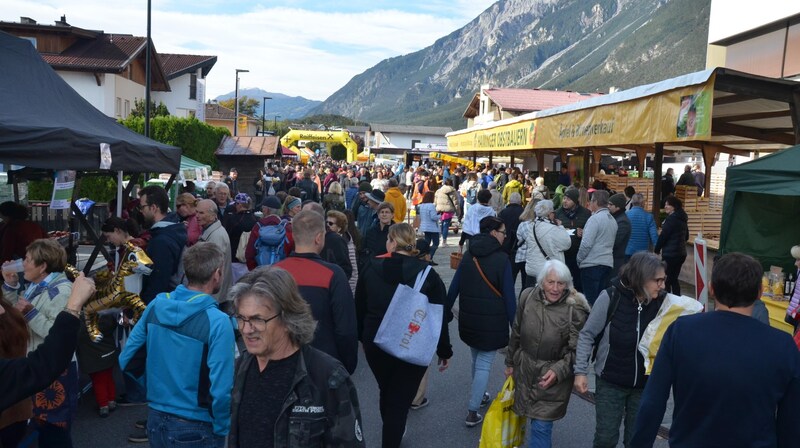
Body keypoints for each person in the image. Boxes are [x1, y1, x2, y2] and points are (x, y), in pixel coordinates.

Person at [631, 252, 800, 447]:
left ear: (711, 289)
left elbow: (653, 402)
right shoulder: (783, 346)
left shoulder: (681, 331)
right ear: (760, 293)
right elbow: (792, 422)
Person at [228, 266, 365, 447]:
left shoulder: (329, 377)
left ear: (288, 319)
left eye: (257, 319)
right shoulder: (241, 367)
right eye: (241, 318)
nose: (246, 329)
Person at [119, 243, 235, 448]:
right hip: (198, 424)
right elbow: (220, 388)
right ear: (217, 274)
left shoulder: (155, 306)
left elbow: (127, 358)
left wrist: (155, 389)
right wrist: (222, 427)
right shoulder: (218, 321)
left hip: (156, 418)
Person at [355, 223, 451, 447]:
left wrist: (362, 337)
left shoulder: (371, 266)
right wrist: (444, 350)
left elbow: (359, 305)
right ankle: (392, 435)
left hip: (375, 341)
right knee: (400, 400)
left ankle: (392, 429)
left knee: (386, 390)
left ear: (391, 242)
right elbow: (440, 315)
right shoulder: (428, 274)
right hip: (411, 342)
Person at [574, 252, 665, 448]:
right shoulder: (610, 296)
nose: (662, 285)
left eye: (663, 280)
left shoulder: (664, 303)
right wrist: (580, 371)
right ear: (641, 278)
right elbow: (587, 334)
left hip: (645, 384)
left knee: (637, 441)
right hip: (610, 382)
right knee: (606, 439)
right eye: (658, 280)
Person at [505, 259, 590, 447]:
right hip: (525, 369)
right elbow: (517, 332)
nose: (555, 288)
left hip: (552, 378)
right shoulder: (527, 296)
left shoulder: (574, 309)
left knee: (541, 426)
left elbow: (579, 350)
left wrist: (559, 370)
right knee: (528, 418)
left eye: (561, 283)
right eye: (551, 282)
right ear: (542, 281)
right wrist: (510, 362)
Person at [1, 239, 78, 446]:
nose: (22, 263)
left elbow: (58, 334)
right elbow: (15, 314)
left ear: (42, 266)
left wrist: (31, 313)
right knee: (40, 425)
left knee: (54, 429)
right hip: (39, 363)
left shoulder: (61, 291)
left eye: (27, 260)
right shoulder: (37, 285)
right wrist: (11, 284)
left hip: (56, 370)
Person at [448, 216, 516, 427]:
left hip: (468, 318)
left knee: (476, 359)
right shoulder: (502, 259)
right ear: (494, 232)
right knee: (484, 363)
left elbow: (454, 287)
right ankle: (472, 410)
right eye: (503, 232)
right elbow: (509, 296)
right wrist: (516, 326)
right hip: (492, 322)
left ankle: (480, 395)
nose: (505, 236)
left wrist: (444, 310)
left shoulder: (469, 254)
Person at [275, 210, 358, 374]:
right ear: (319, 237)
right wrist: (347, 365)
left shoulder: (275, 272)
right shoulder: (334, 274)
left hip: (281, 361)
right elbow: (345, 328)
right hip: (324, 364)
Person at [0, 273, 95, 413]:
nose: (21, 263)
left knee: (53, 426)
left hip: (44, 371)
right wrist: (73, 306)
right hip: (44, 366)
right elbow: (41, 365)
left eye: (27, 258)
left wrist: (10, 287)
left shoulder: (56, 290)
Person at [138, 186, 187, 303]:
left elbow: (158, 283)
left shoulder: (162, 241)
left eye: (142, 207)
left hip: (159, 307)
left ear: (154, 208)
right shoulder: (173, 229)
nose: (141, 211)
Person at [576, 190, 617, 305]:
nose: (590, 204)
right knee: (601, 301)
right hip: (607, 263)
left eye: (591, 201)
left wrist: (579, 259)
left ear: (596, 202)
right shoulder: (612, 220)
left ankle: (591, 322)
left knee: (590, 302)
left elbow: (586, 244)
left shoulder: (594, 219)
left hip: (592, 264)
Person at [524, 200, 572, 288]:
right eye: (553, 212)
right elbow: (567, 243)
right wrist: (560, 227)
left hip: (532, 271)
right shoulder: (552, 229)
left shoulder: (532, 226)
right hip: (547, 273)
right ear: (549, 214)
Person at [196, 199, 234, 308]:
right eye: (197, 212)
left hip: (213, 296)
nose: (197, 216)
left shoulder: (216, 236)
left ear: (213, 215)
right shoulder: (212, 231)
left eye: (201, 213)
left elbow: (213, 269)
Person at [302, 202, 353, 279]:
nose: (300, 218)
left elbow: (345, 271)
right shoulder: (302, 236)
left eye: (304, 215)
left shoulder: (336, 240)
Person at [555, 187, 591, 291]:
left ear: (575, 201)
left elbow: (590, 231)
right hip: (562, 255)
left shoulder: (586, 213)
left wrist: (584, 232)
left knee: (578, 284)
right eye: (564, 198)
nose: (565, 201)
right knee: (562, 283)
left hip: (578, 254)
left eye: (568, 199)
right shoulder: (557, 213)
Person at [245, 195, 294, 271]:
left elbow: (249, 253)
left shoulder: (258, 226)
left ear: (266, 210)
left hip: (261, 272)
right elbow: (291, 250)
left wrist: (254, 271)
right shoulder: (286, 227)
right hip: (281, 272)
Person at [654, 196, 689, 296]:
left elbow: (663, 236)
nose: (665, 206)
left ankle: (666, 298)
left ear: (674, 207)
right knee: (673, 278)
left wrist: (657, 249)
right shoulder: (682, 219)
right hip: (681, 254)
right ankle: (677, 298)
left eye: (667, 204)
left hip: (670, 254)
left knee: (667, 279)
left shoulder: (671, 220)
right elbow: (686, 236)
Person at [327, 211, 359, 295]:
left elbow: (353, 272)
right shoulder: (327, 239)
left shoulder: (347, 244)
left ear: (339, 228)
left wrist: (350, 293)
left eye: (330, 223)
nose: (327, 226)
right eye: (326, 222)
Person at [223, 193, 258, 263]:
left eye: (235, 204)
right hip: (252, 259)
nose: (235, 206)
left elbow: (227, 237)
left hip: (235, 259)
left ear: (240, 205)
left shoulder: (233, 220)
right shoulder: (256, 219)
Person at [624, 193, 658, 261]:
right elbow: (654, 236)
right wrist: (657, 249)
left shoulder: (626, 215)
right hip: (643, 252)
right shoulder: (649, 216)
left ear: (632, 203)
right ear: (642, 203)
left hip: (628, 251)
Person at [608, 193, 632, 277]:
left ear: (618, 207)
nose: (608, 206)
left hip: (616, 260)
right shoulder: (615, 218)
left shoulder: (622, 221)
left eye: (611, 204)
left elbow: (615, 242)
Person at [417, 191, 441, 263]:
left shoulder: (422, 205)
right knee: (436, 243)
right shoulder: (431, 205)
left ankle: (424, 257)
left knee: (427, 243)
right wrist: (440, 216)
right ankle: (429, 257)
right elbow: (433, 217)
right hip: (432, 227)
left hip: (425, 227)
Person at [434, 179, 458, 245]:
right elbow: (455, 202)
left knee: (442, 224)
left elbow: (435, 201)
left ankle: (441, 237)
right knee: (446, 225)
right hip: (448, 210)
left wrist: (436, 208)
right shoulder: (452, 191)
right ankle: (444, 240)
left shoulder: (438, 191)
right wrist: (458, 211)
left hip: (440, 210)